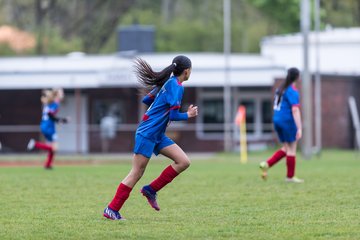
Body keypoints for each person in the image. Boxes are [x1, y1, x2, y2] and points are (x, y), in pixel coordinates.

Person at [103, 55, 198, 220]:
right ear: (187, 71)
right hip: (147, 133)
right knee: (136, 172)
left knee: (183, 162)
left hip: (157, 134)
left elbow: (147, 100)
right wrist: (188, 114)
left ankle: (151, 190)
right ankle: (112, 209)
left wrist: (159, 92)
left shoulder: (168, 83)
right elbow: (174, 114)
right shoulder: (176, 86)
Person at [259, 67, 304, 183]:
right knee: (292, 149)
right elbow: (295, 110)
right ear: (297, 77)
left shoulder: (280, 89)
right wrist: (299, 127)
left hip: (277, 120)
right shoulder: (292, 91)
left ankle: (266, 164)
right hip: (287, 120)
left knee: (286, 148)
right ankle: (290, 177)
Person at [27, 88, 68, 169]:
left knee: (53, 148)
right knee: (54, 148)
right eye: (61, 93)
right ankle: (35, 144)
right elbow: (50, 115)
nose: (63, 94)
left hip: (46, 125)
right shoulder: (55, 103)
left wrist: (61, 120)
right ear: (57, 95)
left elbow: (51, 115)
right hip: (48, 126)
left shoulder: (51, 102)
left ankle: (48, 165)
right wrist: (62, 120)